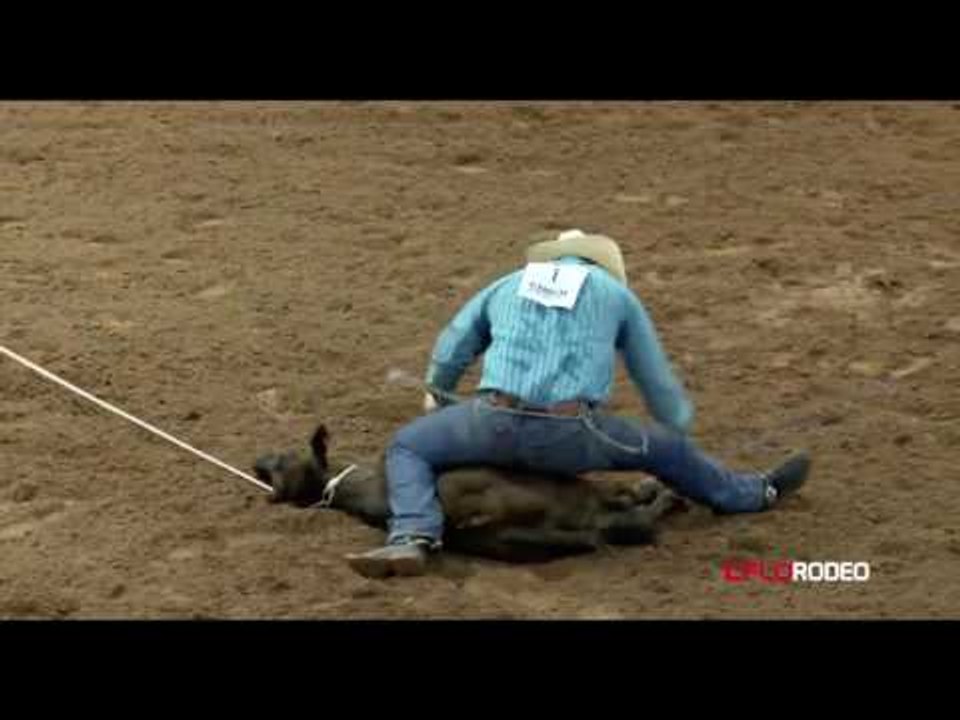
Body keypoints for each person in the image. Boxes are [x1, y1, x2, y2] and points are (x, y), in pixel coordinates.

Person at [345, 229, 811, 577]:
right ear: (602, 264)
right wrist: (675, 426)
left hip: (492, 421)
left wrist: (440, 396)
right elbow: (655, 379)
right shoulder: (616, 295)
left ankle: (413, 534)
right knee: (667, 449)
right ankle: (752, 494)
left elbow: (453, 346)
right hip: (571, 431)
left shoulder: (507, 284)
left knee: (407, 446)